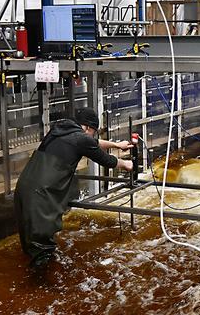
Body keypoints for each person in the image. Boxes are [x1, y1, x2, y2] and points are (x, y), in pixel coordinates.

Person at [14, 107, 133, 268]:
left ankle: (30, 280)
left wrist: (116, 145)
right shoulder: (81, 139)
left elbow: (93, 143)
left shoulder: (59, 130)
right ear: (89, 128)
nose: (93, 136)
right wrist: (125, 164)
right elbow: (106, 159)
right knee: (42, 249)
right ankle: (41, 287)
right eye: (94, 131)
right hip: (41, 194)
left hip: (24, 187)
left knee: (29, 243)